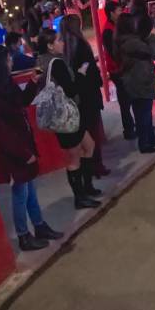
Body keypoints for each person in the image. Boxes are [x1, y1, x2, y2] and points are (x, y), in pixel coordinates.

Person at [0, 45, 64, 251]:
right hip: (13, 153)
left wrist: (32, 82)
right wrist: (23, 154)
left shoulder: (4, 84)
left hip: (22, 145)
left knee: (29, 190)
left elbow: (22, 102)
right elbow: (0, 133)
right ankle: (24, 235)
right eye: (8, 59)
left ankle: (39, 225)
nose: (11, 62)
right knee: (20, 193)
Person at [36, 29, 101, 209]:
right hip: (65, 116)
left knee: (89, 145)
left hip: (66, 116)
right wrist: (80, 73)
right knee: (74, 158)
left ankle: (87, 187)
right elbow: (71, 90)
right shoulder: (56, 63)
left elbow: (38, 81)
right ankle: (80, 197)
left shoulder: (40, 61)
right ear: (50, 46)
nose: (63, 42)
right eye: (58, 40)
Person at [60, 14, 108, 177]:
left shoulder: (63, 47)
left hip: (75, 94)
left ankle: (89, 167)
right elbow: (87, 67)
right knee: (93, 131)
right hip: (88, 92)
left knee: (84, 133)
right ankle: (96, 166)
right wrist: (91, 71)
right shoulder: (80, 45)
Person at [115, 13, 155, 154]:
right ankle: (144, 143)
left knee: (145, 112)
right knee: (143, 114)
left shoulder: (129, 39)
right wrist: (154, 35)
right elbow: (151, 51)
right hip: (138, 81)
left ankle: (150, 138)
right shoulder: (129, 42)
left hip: (139, 79)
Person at [101, 0, 135, 140]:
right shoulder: (108, 31)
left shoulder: (117, 26)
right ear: (111, 13)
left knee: (129, 98)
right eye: (119, 11)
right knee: (125, 101)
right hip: (117, 69)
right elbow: (114, 53)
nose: (122, 12)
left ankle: (134, 126)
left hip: (123, 67)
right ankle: (129, 130)